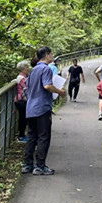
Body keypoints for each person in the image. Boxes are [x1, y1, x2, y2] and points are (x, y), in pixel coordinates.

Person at [21, 46, 66, 176]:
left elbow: (27, 88)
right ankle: (40, 166)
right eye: (50, 54)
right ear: (47, 55)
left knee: (32, 136)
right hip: (42, 107)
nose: (51, 56)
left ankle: (27, 164)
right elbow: (47, 85)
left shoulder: (33, 70)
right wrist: (60, 92)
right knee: (43, 137)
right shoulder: (45, 69)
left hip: (31, 107)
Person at [14, 60, 30, 143]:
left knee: (24, 118)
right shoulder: (22, 78)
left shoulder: (23, 77)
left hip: (22, 101)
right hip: (21, 101)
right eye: (26, 67)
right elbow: (27, 87)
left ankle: (22, 135)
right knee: (22, 118)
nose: (28, 68)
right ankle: (21, 136)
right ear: (23, 69)